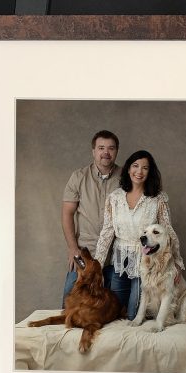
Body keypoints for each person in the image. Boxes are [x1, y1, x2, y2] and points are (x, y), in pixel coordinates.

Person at [95, 150, 184, 319]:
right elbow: (107, 232)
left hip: (147, 262)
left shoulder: (158, 199)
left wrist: (177, 262)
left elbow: (167, 231)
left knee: (133, 314)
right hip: (120, 260)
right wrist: (97, 265)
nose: (139, 171)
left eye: (145, 168)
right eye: (135, 166)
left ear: (150, 172)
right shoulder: (114, 198)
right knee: (113, 312)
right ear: (128, 169)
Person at [61, 130, 121, 306]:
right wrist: (73, 248)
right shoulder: (78, 177)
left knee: (113, 308)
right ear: (93, 151)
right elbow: (67, 213)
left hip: (116, 255)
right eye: (101, 147)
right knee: (70, 301)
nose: (106, 152)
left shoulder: (126, 178)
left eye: (111, 148)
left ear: (116, 151)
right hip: (85, 254)